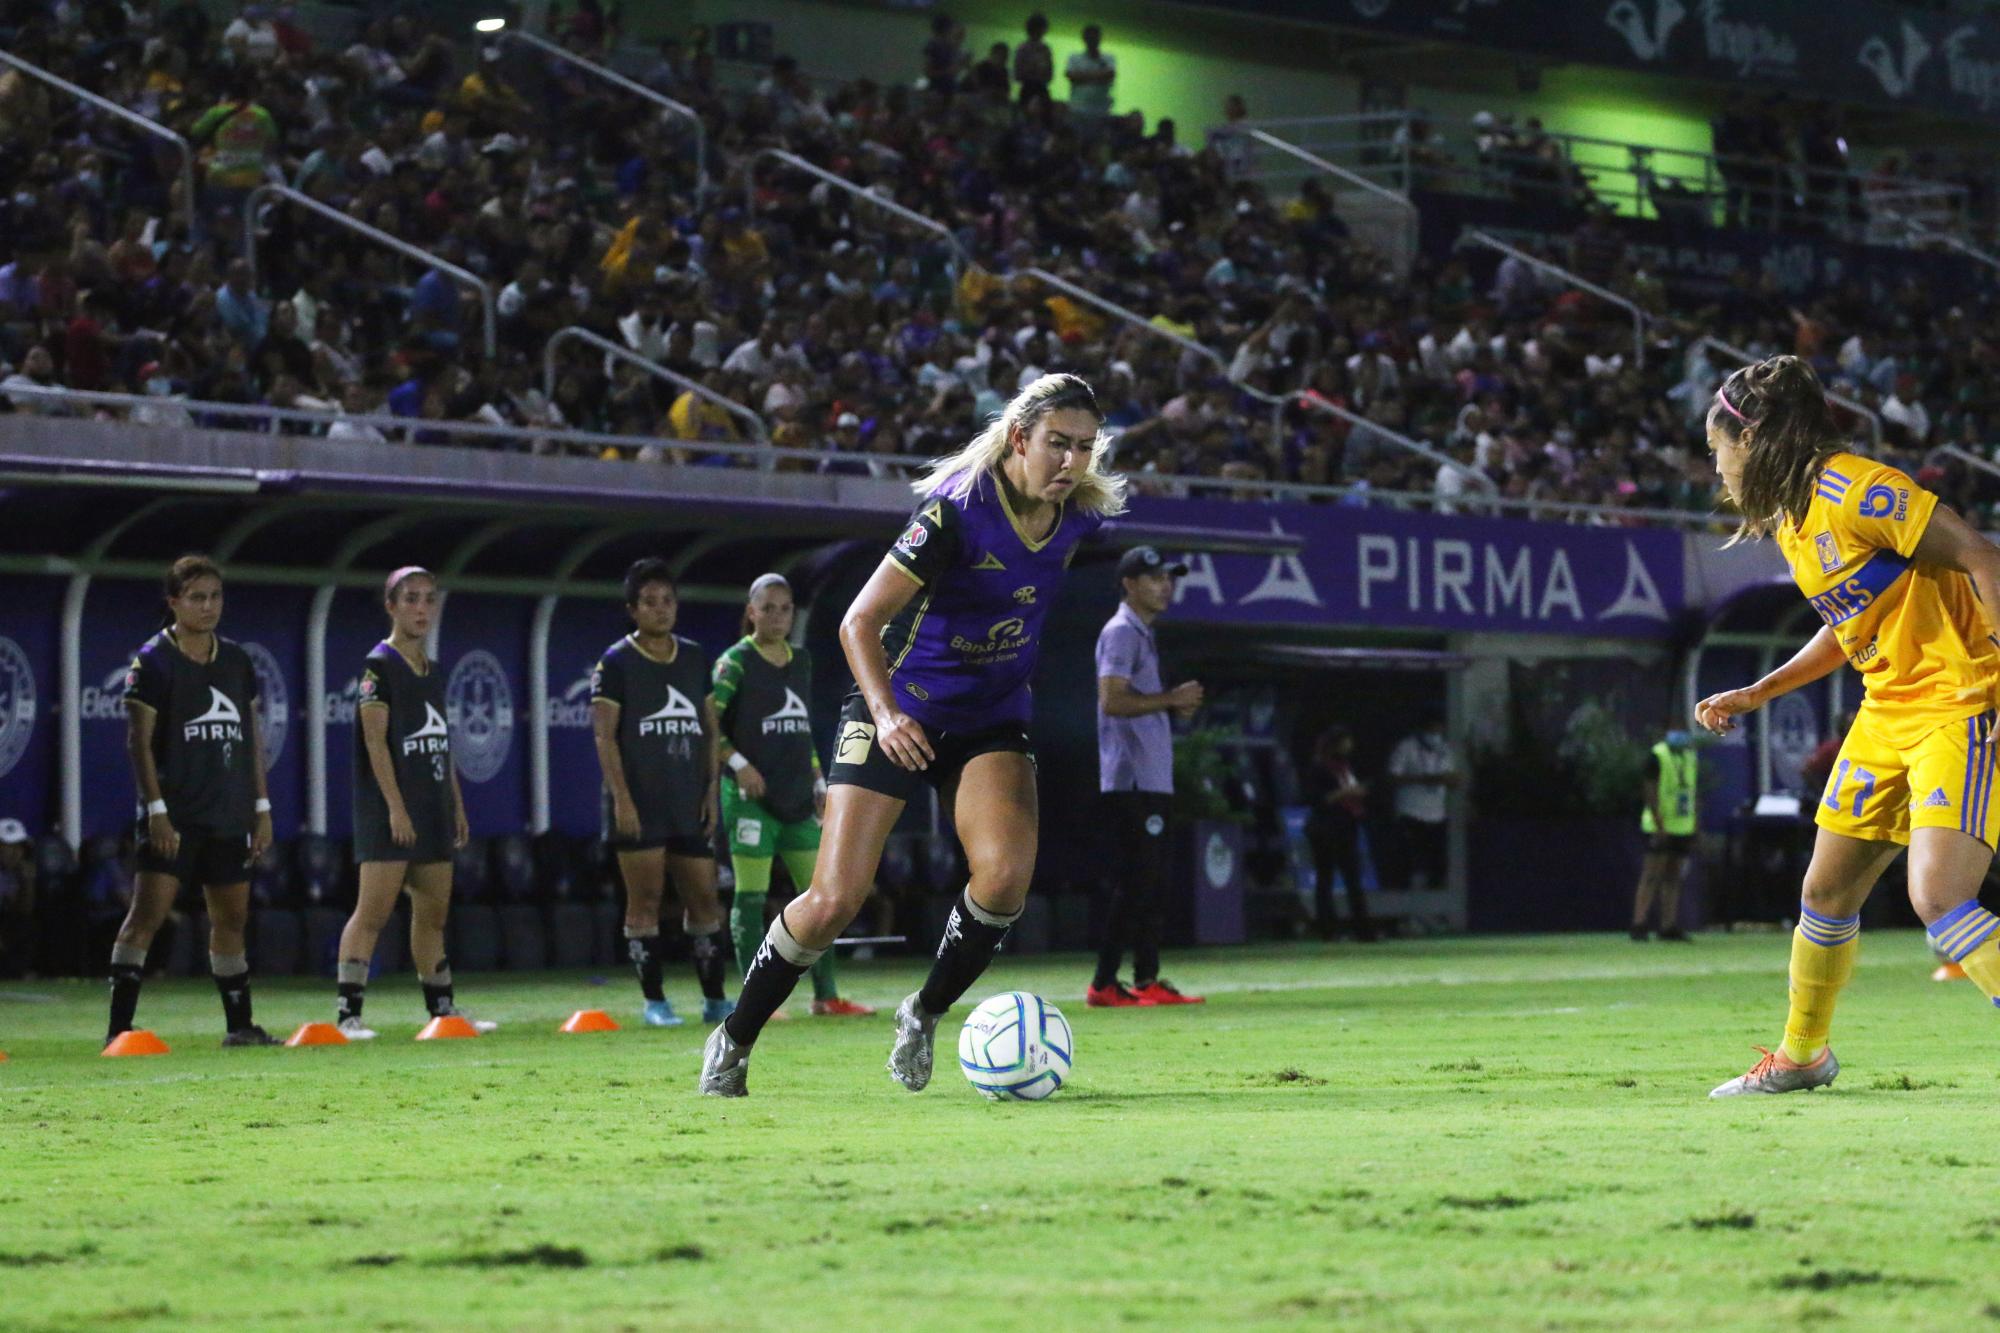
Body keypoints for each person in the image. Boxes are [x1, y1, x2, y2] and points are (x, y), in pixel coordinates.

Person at [699, 373, 1126, 1096]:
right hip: (896, 708)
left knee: (1004, 880)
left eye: (1085, 447)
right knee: (835, 898)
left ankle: (925, 1011)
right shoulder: (955, 514)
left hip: (991, 715)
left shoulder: (1080, 515)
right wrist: (890, 714)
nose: (1072, 461)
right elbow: (856, 623)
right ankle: (735, 1036)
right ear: (1020, 438)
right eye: (1058, 443)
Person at [1697, 355, 2000, 1097]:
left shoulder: (1857, 489)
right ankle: (1803, 1056)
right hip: (1887, 711)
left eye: (1718, 449)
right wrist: (1762, 688)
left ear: (1754, 438)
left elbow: (1981, 554)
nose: (1717, 467)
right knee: (1825, 894)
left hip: (1958, 704)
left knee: (1938, 896)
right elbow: (1850, 623)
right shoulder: (1795, 518)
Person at [107, 556, 275, 1048]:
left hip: (228, 813)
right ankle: (118, 1029)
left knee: (231, 919)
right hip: (174, 815)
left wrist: (261, 809)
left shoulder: (238, 661)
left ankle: (239, 1026)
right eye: (197, 597)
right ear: (174, 602)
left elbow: (251, 739)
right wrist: (156, 811)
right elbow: (138, 743)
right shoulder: (153, 661)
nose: (208, 607)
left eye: (215, 597)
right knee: (147, 916)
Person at [334, 568, 493, 1039]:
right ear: (391, 606)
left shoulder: (434, 670)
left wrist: (456, 804)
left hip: (432, 807)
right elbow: (375, 744)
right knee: (373, 912)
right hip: (389, 812)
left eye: (428, 599)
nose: (421, 608)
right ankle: (348, 1016)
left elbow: (441, 743)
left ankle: (443, 1012)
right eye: (410, 599)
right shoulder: (378, 667)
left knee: (432, 914)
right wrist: (395, 808)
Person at [714, 574, 872, 1018]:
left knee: (823, 898)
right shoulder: (733, 663)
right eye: (768, 608)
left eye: (785, 609)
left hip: (798, 798)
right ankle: (753, 998)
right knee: (750, 896)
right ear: (751, 612)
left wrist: (820, 782)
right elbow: (713, 728)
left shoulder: (800, 660)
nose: (777, 616)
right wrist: (739, 765)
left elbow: (799, 729)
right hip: (750, 801)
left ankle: (827, 996)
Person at [591, 559, 733, 1028]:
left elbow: (712, 731)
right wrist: (622, 800)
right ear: (632, 609)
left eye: (667, 601)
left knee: (706, 900)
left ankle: (714, 998)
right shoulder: (615, 663)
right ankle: (655, 1002)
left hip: (688, 800)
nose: (660, 610)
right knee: (645, 900)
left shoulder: (694, 658)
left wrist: (711, 792)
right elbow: (604, 736)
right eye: (649, 602)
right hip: (641, 802)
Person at [1089, 546, 1205, 1006]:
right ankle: (1113, 981)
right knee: (1140, 881)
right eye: (1155, 578)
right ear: (1129, 584)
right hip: (1134, 779)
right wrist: (1170, 699)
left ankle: (1139, 978)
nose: (1165, 586)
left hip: (1146, 778)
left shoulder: (1138, 633)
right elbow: (1112, 700)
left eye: (1168, 578)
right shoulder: (1121, 633)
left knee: (1147, 881)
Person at [1304, 725, 1378, 942]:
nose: (1350, 746)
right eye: (1346, 741)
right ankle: (1329, 928)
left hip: (1346, 824)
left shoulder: (1345, 766)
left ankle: (1360, 929)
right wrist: (1345, 793)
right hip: (1327, 827)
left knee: (1351, 878)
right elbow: (1317, 799)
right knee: (1328, 877)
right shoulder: (1319, 768)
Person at [1630, 730, 1699, 942]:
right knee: (1651, 874)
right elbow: (1650, 790)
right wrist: (1659, 823)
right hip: (1659, 825)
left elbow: (1692, 791)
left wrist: (1695, 822)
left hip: (1682, 825)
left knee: (1673, 876)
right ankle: (1639, 923)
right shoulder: (1657, 756)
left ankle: (1668, 925)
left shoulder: (1689, 757)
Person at [1386, 712, 1457, 890]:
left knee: (1439, 865)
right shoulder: (1406, 747)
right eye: (1432, 730)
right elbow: (1392, 778)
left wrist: (1451, 781)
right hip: (1411, 813)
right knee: (1411, 863)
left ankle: (1433, 907)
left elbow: (1449, 777)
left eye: (1439, 730)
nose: (1436, 734)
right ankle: (1410, 908)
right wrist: (1424, 779)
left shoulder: (1446, 749)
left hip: (1437, 815)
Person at [0, 818, 35, 978]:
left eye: (19, 847)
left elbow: (25, 911)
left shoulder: (21, 873)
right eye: (8, 846)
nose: (15, 852)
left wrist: (28, 882)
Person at [1064, 25, 1116, 120]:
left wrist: (1082, 76)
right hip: (1077, 110)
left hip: (1100, 111)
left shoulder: (1108, 58)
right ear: (1084, 39)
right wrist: (1099, 76)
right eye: (1090, 38)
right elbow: (1070, 76)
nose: (1092, 40)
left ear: (1099, 39)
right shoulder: (1074, 58)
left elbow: (1110, 74)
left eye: (1094, 37)